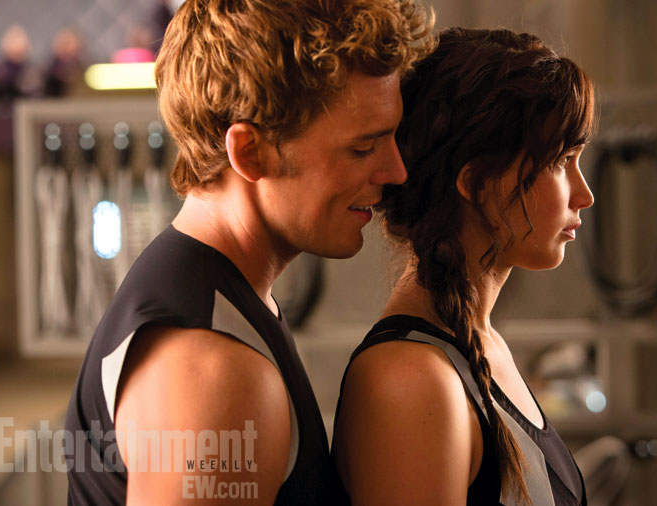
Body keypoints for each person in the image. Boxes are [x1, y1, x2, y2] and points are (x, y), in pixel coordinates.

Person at [64, 1, 433, 505]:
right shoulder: (214, 373)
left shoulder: (221, 304)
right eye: (362, 148)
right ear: (250, 152)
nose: (396, 171)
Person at [332, 27, 595, 506]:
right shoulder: (410, 379)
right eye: (561, 162)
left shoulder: (482, 344)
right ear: (475, 183)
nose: (585, 195)